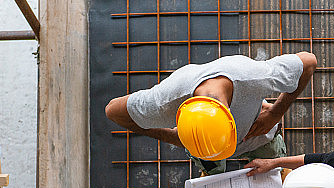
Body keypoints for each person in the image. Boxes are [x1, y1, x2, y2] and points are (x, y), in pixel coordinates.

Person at [105, 52, 317, 174]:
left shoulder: (254, 77)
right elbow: (113, 111)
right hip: (197, 145)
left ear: (229, 117)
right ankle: (209, 163)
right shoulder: (164, 100)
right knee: (212, 174)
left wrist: (275, 114)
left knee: (275, 169)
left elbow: (308, 62)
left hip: (257, 136)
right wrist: (170, 135)